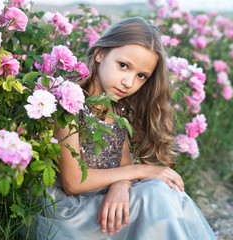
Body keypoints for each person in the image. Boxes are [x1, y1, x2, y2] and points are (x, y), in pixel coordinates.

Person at [34, 17, 216, 240]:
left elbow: (124, 165)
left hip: (104, 202)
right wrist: (143, 171)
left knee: (164, 192)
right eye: (123, 66)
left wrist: (121, 186)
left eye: (141, 76)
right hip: (70, 212)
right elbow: (72, 182)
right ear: (100, 54)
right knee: (154, 192)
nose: (129, 82)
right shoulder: (69, 102)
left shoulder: (118, 111)